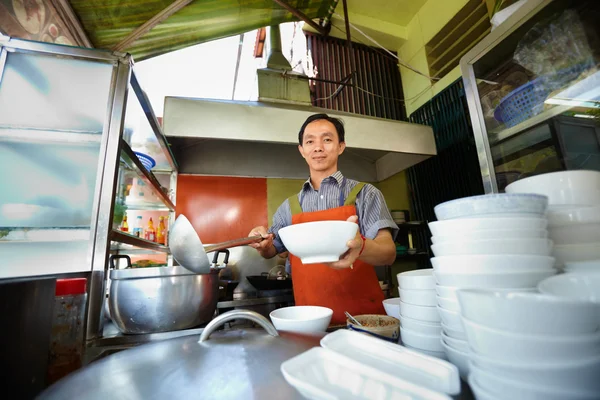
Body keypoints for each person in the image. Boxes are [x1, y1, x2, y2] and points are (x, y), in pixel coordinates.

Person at [248, 113, 398, 325]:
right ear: (302, 150)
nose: (318, 147)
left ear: (341, 146)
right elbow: (273, 249)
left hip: (362, 320)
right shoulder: (288, 207)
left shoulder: (366, 194)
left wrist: (361, 246)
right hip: (309, 319)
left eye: (327, 139)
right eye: (310, 141)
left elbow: (389, 253)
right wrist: (262, 245)